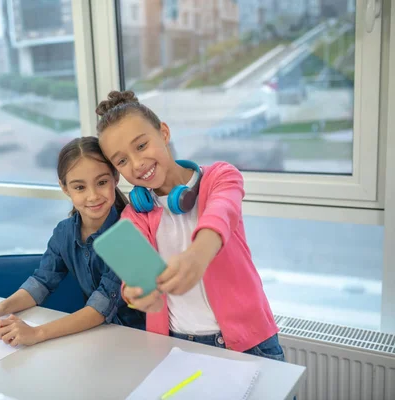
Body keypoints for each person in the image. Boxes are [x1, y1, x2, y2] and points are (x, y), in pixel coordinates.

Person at [96, 90, 284, 361]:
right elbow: (132, 281)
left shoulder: (220, 177)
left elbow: (221, 215)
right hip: (178, 347)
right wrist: (135, 294)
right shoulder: (134, 216)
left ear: (163, 132)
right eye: (122, 160)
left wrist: (197, 256)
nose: (137, 164)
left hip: (249, 343)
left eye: (141, 146)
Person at [0, 137, 145, 347]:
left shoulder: (129, 232)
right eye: (80, 187)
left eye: (101, 182)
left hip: (138, 340)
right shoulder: (64, 232)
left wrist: (36, 333)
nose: (93, 196)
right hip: (96, 339)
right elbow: (41, 282)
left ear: (115, 178)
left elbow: (100, 309)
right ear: (64, 188)